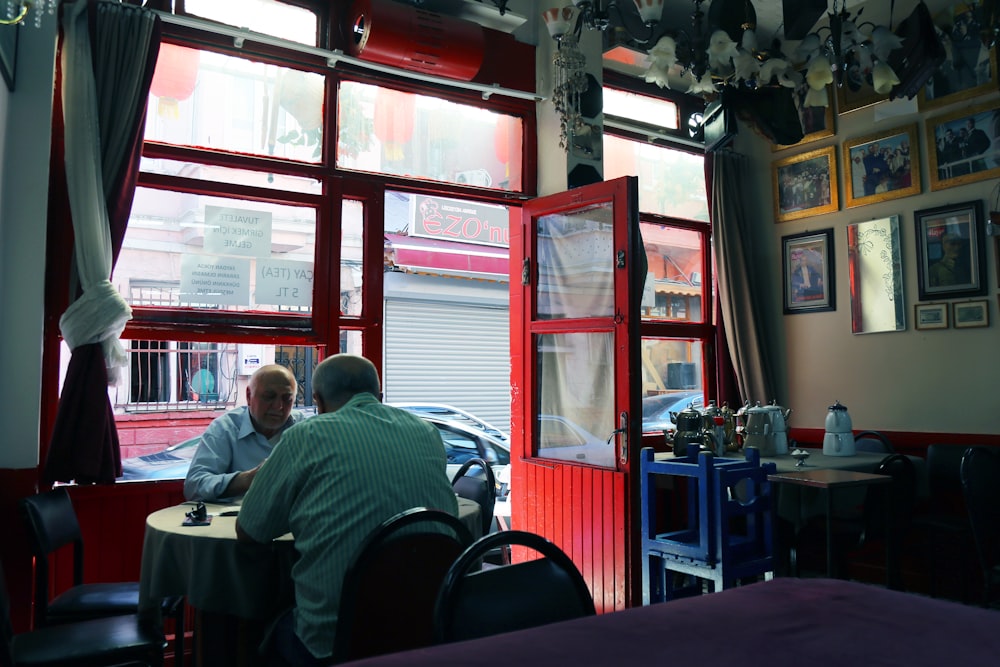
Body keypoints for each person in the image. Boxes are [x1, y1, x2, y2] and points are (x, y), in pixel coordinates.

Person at [235, 354, 458, 667]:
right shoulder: (426, 432)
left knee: (257, 630)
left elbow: (250, 531)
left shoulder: (306, 435)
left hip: (335, 641)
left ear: (318, 402)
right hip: (428, 627)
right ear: (379, 397)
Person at [183, 364, 305, 501]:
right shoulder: (225, 429)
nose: (278, 406)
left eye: (287, 399)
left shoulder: (304, 428)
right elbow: (194, 486)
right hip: (235, 519)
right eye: (269, 397)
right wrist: (249, 479)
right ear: (248, 396)